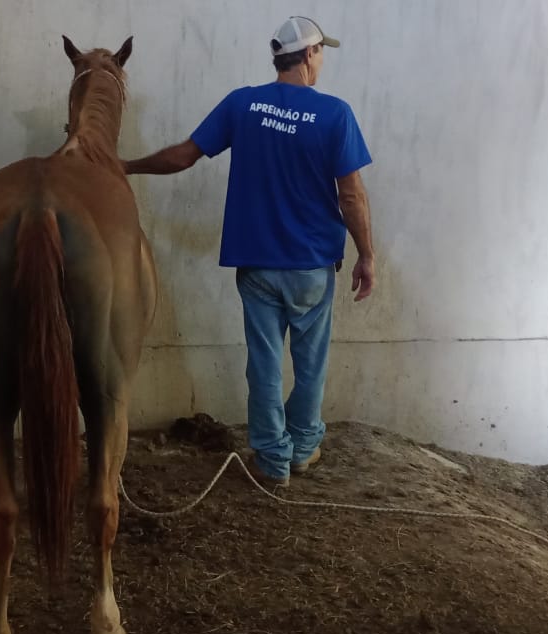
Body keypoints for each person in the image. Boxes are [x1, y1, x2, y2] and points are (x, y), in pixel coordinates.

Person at [124, 16, 375, 486]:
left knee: (263, 363)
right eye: (321, 52)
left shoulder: (242, 104)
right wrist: (367, 255)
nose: (321, 61)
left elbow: (183, 156)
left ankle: (273, 460)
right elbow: (352, 195)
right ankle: (303, 447)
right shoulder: (335, 114)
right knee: (310, 363)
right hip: (311, 265)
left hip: (257, 264)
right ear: (309, 55)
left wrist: (125, 166)